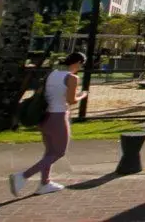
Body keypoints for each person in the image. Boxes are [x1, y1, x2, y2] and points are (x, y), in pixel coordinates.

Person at [9, 52, 88, 196]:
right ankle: (23, 176)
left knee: (49, 152)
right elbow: (71, 100)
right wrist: (83, 95)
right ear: (78, 62)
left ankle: (45, 183)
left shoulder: (52, 74)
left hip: (45, 116)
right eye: (81, 64)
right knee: (59, 152)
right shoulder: (72, 78)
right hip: (58, 117)